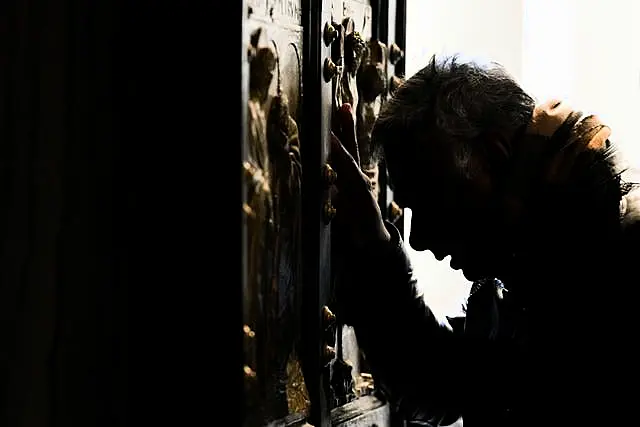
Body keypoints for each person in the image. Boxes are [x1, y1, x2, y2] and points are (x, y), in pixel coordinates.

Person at [329, 55, 640, 426]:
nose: (420, 238)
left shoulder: (617, 263)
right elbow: (451, 380)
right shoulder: (557, 250)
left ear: (494, 155)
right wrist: (375, 245)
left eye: (433, 200)